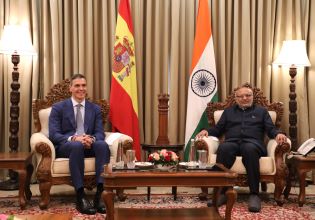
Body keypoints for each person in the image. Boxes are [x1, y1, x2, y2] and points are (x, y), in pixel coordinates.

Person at [196, 83, 287, 212]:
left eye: (248, 95)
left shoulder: (262, 112)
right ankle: (221, 193)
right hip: (232, 142)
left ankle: (254, 194)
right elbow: (218, 129)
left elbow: (271, 129)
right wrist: (206, 131)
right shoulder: (228, 112)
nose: (245, 98)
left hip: (253, 144)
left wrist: (278, 134)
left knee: (249, 149)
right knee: (224, 149)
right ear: (236, 98)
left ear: (252, 97)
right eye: (241, 96)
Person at [49, 73, 110, 215]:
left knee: (102, 145)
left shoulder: (94, 109)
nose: (81, 89)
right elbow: (54, 134)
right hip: (68, 146)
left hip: (88, 144)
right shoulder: (58, 107)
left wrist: (92, 139)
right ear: (70, 88)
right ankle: (80, 195)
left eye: (83, 85)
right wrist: (74, 138)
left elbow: (100, 133)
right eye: (77, 85)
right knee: (76, 146)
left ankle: (99, 194)